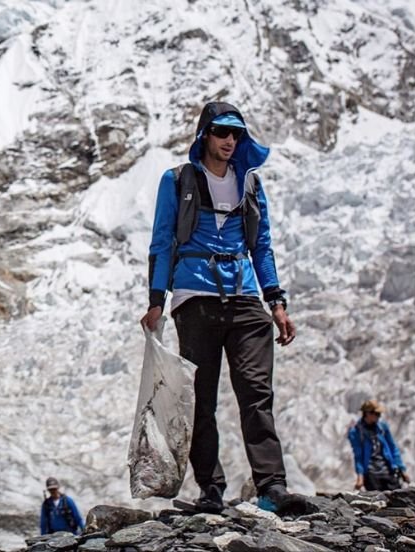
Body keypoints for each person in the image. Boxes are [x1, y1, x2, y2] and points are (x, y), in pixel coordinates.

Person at [140, 101, 298, 515]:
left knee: (256, 393)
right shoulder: (177, 180)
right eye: (223, 133)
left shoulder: (249, 183)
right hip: (196, 299)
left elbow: (260, 245)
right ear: (204, 135)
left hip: (246, 297)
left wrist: (276, 301)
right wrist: (157, 301)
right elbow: (162, 241)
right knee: (202, 399)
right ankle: (211, 490)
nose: (230, 141)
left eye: (237, 135)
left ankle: (271, 487)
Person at [348, 399, 410, 491]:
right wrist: (360, 477)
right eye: (377, 414)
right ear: (368, 413)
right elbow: (358, 456)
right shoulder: (356, 432)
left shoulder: (382, 427)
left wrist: (402, 470)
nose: (379, 417)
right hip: (371, 475)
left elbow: (393, 448)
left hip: (389, 472)